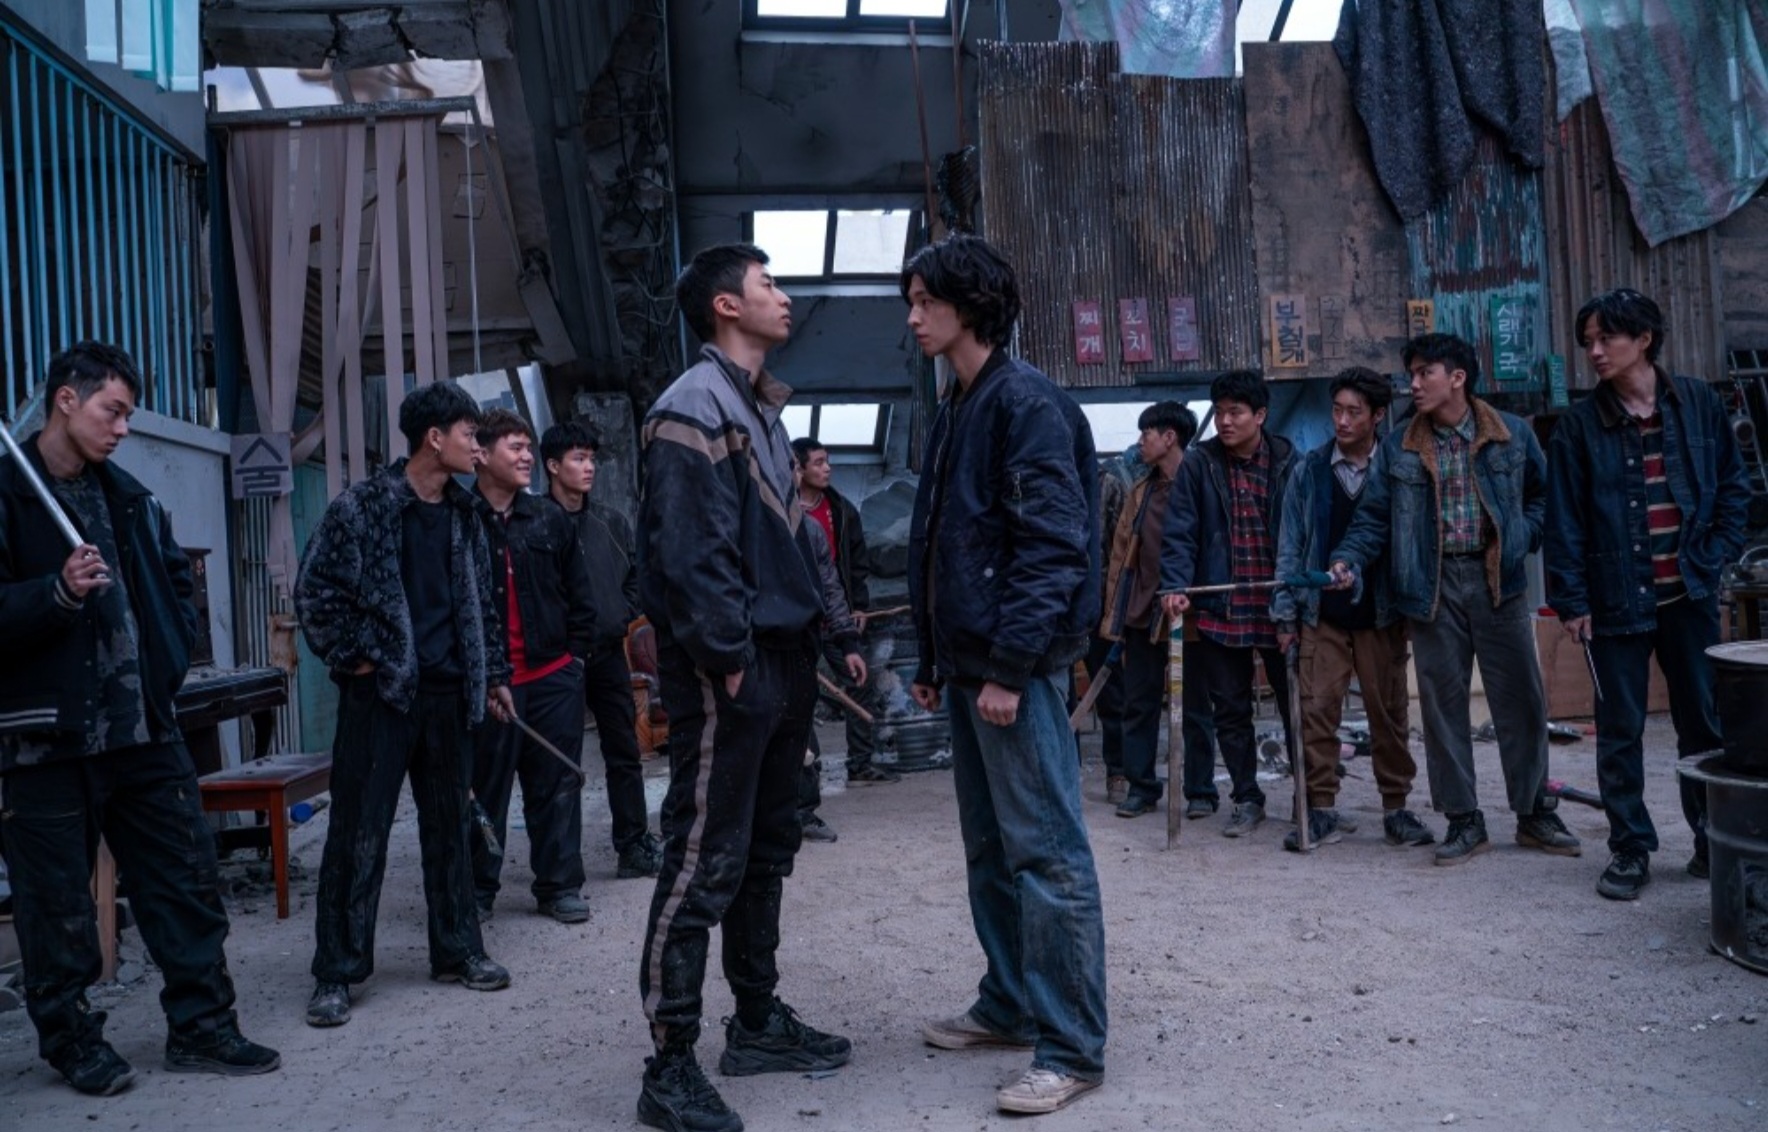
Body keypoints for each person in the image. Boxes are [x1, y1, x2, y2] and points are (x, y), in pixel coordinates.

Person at [0, 342, 280, 1095]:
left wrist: (167, 668)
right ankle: (73, 1042)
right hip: (46, 739)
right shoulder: (10, 495)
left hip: (143, 730)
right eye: (113, 411)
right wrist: (54, 595)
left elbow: (174, 588)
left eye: (127, 414)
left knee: (184, 881)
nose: (123, 428)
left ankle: (203, 1026)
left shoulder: (130, 497)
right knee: (57, 907)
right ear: (66, 399)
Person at [635, 244, 849, 1132]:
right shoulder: (693, 405)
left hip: (780, 660)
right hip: (735, 666)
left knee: (765, 848)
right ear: (727, 305)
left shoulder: (756, 408)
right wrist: (726, 657)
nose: (784, 297)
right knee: (702, 858)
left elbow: (778, 540)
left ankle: (755, 1023)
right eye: (769, 285)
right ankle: (669, 1066)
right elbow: (690, 550)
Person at [906, 234, 1107, 1116]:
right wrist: (933, 658)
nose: (913, 317)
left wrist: (1011, 669)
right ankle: (1011, 1003)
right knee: (991, 849)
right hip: (970, 669)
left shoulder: (1024, 403)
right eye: (911, 301)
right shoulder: (959, 404)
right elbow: (942, 544)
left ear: (972, 307)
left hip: (1011, 674)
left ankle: (1071, 1048)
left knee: (1046, 856)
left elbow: (1052, 549)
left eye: (925, 301)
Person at [296, 380, 516, 1028]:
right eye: (471, 435)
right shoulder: (363, 506)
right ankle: (337, 971)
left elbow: (484, 604)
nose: (478, 448)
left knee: (450, 829)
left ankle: (458, 951)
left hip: (451, 695)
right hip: (382, 697)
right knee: (357, 833)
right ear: (434, 438)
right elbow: (316, 593)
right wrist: (361, 655)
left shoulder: (467, 514)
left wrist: (494, 675)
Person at [1330, 333, 1580, 866]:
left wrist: (1521, 537)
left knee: (1522, 702)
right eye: (1412, 374)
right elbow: (1373, 518)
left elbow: (1541, 497)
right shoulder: (1399, 446)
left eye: (1425, 373)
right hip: (1432, 585)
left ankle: (1534, 812)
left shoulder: (1510, 434)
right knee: (1442, 709)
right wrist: (1348, 559)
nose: (1414, 384)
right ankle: (1464, 820)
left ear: (1457, 378)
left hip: (1498, 582)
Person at [1545, 289, 1751, 899]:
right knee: (1620, 730)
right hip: (1614, 601)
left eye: (1606, 338)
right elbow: (1564, 521)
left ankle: (1712, 840)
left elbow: (1734, 488)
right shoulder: (1579, 426)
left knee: (1704, 725)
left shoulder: (1698, 403)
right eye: (1588, 341)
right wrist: (1572, 601)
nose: (1594, 351)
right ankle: (1631, 849)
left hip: (1689, 594)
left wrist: (1714, 556)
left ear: (1644, 339)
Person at [1272, 368, 1432, 851]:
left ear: (1378, 415)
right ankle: (1319, 809)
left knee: (1389, 714)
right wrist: (1285, 615)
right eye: (1337, 410)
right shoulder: (1309, 470)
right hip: (1321, 613)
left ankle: (1396, 808)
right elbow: (1290, 546)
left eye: (1353, 412)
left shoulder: (1401, 469)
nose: (1341, 421)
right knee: (1317, 711)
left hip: (1382, 615)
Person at [469, 409, 597, 923]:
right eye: (515, 448)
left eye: (528, 448)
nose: (527, 457)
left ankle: (559, 886)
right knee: (485, 792)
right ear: (481, 454)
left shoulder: (549, 519)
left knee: (557, 787)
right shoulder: (460, 519)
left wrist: (573, 663)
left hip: (551, 679)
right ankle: (477, 891)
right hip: (486, 687)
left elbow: (580, 596)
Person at [1159, 370, 1298, 838]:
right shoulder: (1199, 464)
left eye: (1235, 412)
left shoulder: (1288, 461)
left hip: (1278, 604)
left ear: (1260, 415)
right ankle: (1247, 797)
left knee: (1296, 705)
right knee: (1231, 709)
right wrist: (1175, 585)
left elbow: (1304, 531)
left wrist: (1301, 596)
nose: (1225, 421)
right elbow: (1180, 531)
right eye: (1219, 412)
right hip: (1222, 605)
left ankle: (1310, 797)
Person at [542, 420, 664, 879]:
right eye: (578, 458)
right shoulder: (537, 522)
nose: (589, 467)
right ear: (553, 466)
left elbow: (635, 577)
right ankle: (560, 865)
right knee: (560, 761)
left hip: (609, 653)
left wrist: (619, 613)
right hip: (559, 660)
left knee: (624, 752)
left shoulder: (610, 521)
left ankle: (633, 846)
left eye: (592, 458)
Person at [1098, 401, 1217, 819]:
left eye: (1146, 434)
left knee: (1196, 706)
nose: (1140, 442)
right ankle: (1141, 787)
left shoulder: (1203, 484)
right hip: (1142, 612)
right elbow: (1120, 556)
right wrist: (1114, 614)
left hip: (1191, 614)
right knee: (1139, 704)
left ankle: (1200, 790)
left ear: (1170, 438)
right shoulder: (1140, 492)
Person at [792, 436, 894, 786]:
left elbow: (854, 566)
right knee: (799, 694)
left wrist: (859, 606)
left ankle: (860, 764)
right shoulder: (780, 511)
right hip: (797, 622)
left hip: (835, 616)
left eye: (828, 461)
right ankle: (808, 770)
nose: (827, 469)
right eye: (818, 463)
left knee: (858, 679)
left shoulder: (841, 511)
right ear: (798, 467)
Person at [793, 456, 869, 844]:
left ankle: (803, 811)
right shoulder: (750, 522)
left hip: (807, 639)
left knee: (803, 727)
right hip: (765, 644)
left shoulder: (811, 529)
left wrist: (848, 642)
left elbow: (831, 586)